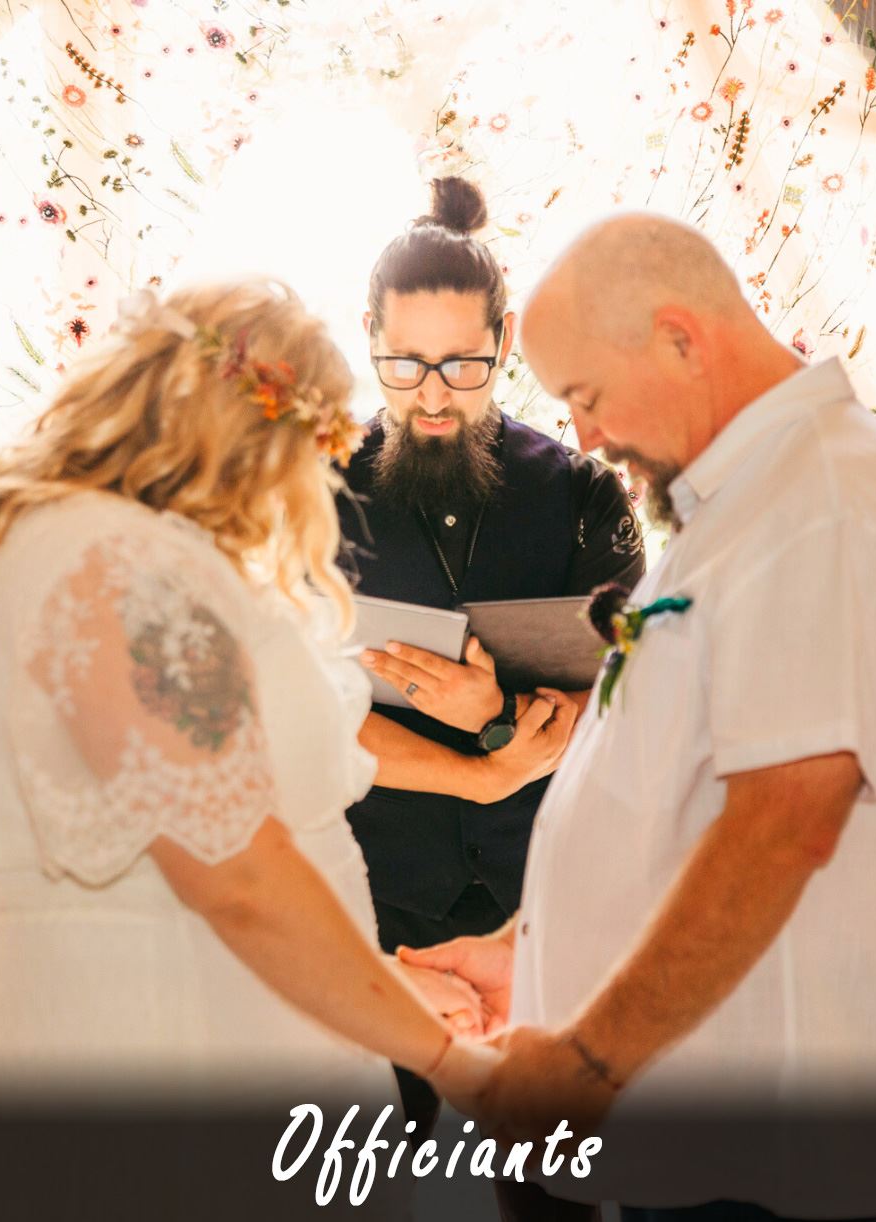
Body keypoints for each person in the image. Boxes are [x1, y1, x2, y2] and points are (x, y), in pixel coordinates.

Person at [404, 214, 876, 1221]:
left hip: (781, 1155)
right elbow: (673, 798)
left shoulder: (823, 503)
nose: (588, 437)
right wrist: (534, 942)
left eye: (587, 396)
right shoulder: (742, 505)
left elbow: (782, 826)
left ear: (683, 339)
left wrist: (586, 1063)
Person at [0, 280, 496, 1219]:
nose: (310, 486)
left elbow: (183, 848)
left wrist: (380, 978)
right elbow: (231, 872)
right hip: (155, 1045)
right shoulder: (115, 567)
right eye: (311, 450)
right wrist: (443, 1059)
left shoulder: (115, 552)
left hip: (213, 1020)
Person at [335, 176, 645, 1132]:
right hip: (372, 910)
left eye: (464, 365)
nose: (432, 395)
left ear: (504, 343)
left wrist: (499, 720)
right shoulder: (305, 492)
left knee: (558, 1177)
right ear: (369, 337)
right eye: (406, 364)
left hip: (547, 915)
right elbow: (270, 726)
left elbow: (640, 707)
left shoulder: (586, 493)